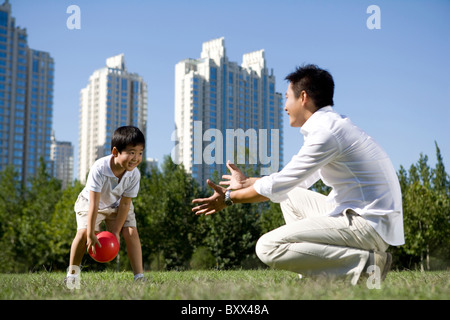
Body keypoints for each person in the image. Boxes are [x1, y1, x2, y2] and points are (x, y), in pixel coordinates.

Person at [192, 64, 404, 285]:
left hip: (367, 224)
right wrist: (247, 182)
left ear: (303, 97)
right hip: (363, 217)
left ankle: (367, 265)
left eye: (286, 98)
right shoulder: (329, 126)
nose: (284, 107)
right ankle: (313, 276)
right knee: (290, 196)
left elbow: (278, 186)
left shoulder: (326, 133)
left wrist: (228, 198)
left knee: (267, 247)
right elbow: (294, 182)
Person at [66, 126, 146, 285]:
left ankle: (139, 277)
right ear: (116, 152)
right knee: (82, 234)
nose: (136, 158)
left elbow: (125, 204)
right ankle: (72, 276)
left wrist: (116, 231)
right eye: (131, 152)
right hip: (90, 203)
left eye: (140, 153)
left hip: (117, 204)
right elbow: (94, 204)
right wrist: (90, 233)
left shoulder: (134, 174)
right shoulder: (99, 168)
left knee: (131, 232)